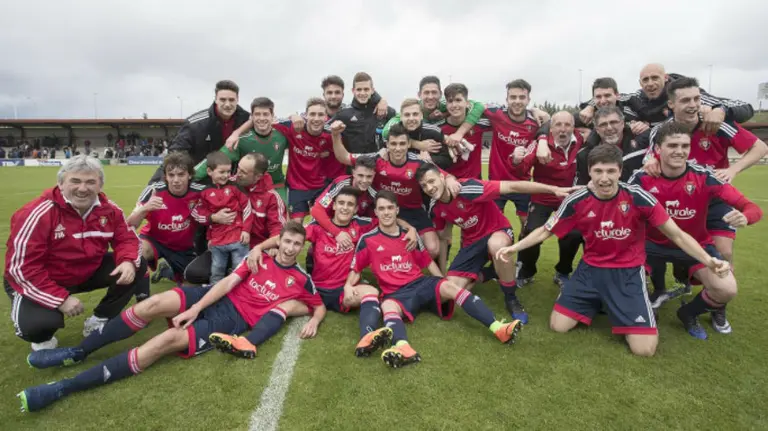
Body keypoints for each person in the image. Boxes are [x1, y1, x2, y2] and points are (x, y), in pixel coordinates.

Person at [20, 222, 324, 412]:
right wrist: (193, 307)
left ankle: (64, 387)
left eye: (297, 244)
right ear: (279, 241)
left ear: (301, 247)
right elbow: (227, 283)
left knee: (165, 339)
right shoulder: (258, 258)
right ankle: (78, 351)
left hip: (232, 321)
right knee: (151, 304)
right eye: (286, 241)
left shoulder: (300, 279)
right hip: (214, 296)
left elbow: (317, 305)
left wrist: (312, 319)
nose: (290, 247)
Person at [496, 144, 731, 357]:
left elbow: (677, 234)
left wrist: (709, 260)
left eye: (610, 171)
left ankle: (624, 303)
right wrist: (514, 247)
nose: (604, 178)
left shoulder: (638, 197)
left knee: (644, 350)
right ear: (590, 172)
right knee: (558, 326)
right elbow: (545, 231)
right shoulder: (577, 200)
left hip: (627, 273)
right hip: (590, 271)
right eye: (598, 171)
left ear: (620, 171)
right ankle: (596, 300)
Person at [344, 191, 523, 368]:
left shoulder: (409, 236)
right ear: (375, 212)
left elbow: (428, 262)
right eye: (381, 209)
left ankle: (499, 328)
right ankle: (403, 348)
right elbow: (356, 268)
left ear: (397, 210)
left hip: (420, 284)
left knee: (451, 287)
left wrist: (441, 282)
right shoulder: (368, 240)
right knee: (387, 306)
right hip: (396, 294)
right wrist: (347, 286)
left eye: (390, 208)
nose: (386, 212)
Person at [628, 122, 762, 338]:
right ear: (658, 150)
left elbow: (752, 208)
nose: (679, 151)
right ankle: (645, 306)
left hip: (695, 246)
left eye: (684, 145)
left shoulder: (704, 177)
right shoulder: (641, 178)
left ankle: (688, 313)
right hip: (651, 246)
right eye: (672, 145)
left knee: (727, 289)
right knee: (625, 281)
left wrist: (745, 217)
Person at [4, 155, 146, 351]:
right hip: (41, 279)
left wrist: (128, 261)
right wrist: (60, 299)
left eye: (90, 182)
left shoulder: (109, 210)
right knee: (38, 327)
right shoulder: (37, 213)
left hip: (85, 271)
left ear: (100, 185)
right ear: (61, 183)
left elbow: (127, 238)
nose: (82, 188)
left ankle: (100, 318)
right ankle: (41, 336)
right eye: (75, 181)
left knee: (137, 265)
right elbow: (20, 269)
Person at [416, 163, 576, 324]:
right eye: (424, 185)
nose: (429, 188)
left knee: (496, 246)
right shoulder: (435, 207)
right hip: (471, 244)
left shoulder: (469, 188)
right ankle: (489, 273)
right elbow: (444, 238)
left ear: (442, 177)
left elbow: (512, 186)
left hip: (497, 232)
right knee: (449, 294)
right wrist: (442, 277)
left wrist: (553, 189)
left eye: (432, 181)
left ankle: (511, 298)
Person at [643, 77, 768, 267]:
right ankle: (675, 281)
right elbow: (651, 158)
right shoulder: (661, 130)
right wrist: (650, 160)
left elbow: (760, 147)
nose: (693, 105)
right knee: (671, 245)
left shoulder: (718, 124)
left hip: (714, 198)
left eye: (696, 99)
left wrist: (733, 170)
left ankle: (722, 286)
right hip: (680, 200)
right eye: (685, 100)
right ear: (671, 104)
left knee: (723, 252)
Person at [330, 121, 457, 260]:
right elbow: (344, 157)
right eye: (393, 144)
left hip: (413, 211)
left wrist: (450, 179)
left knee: (433, 249)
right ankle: (392, 269)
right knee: (384, 247)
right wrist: (335, 135)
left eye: (402, 144)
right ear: (387, 145)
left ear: (408, 144)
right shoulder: (377, 159)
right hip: (384, 210)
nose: (398, 148)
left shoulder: (418, 162)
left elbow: (441, 175)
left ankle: (408, 268)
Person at [184, 153, 287, 285]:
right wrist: (213, 218)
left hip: (254, 249)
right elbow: (203, 206)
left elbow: (278, 232)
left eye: (243, 172)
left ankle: (234, 277)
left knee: (266, 280)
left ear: (258, 176)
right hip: (223, 241)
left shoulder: (272, 198)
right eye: (237, 168)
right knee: (193, 274)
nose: (237, 174)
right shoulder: (227, 182)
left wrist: (266, 247)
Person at [512, 111, 584, 289]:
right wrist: (516, 159)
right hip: (542, 196)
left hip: (568, 198)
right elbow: (522, 168)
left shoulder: (581, 140)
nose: (563, 129)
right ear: (550, 128)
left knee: (573, 235)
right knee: (531, 231)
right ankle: (526, 271)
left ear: (573, 127)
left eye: (567, 125)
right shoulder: (539, 144)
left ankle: (563, 272)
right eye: (558, 125)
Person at [580, 64, 754, 132]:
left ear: (665, 78)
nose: (650, 83)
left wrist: (721, 111)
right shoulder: (636, 98)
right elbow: (611, 97)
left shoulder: (687, 94)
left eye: (655, 78)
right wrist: (590, 105)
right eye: (645, 80)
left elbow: (745, 107)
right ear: (640, 83)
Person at [127, 153, 205, 293]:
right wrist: (145, 208)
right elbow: (130, 224)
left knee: (193, 287)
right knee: (136, 252)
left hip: (184, 248)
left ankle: (166, 272)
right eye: (171, 175)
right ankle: (142, 297)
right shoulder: (154, 190)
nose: (176, 180)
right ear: (165, 176)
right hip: (154, 241)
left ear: (189, 175)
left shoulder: (200, 192)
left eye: (181, 174)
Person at [149, 80, 250, 183]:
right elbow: (175, 155)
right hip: (201, 183)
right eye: (223, 99)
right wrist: (157, 184)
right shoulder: (196, 124)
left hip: (233, 183)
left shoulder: (248, 120)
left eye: (231, 100)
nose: (227, 104)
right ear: (215, 99)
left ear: (237, 100)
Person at [196, 97, 290, 202]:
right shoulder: (241, 140)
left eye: (265, 114)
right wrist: (191, 175)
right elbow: (218, 159)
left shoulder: (282, 135)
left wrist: (295, 116)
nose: (262, 118)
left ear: (272, 116)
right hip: (249, 190)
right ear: (252, 117)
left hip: (277, 187)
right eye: (257, 114)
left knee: (282, 217)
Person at [484, 79, 543, 227]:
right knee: (493, 226)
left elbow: (551, 123)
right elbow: (470, 105)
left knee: (527, 226)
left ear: (528, 99)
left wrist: (538, 112)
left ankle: (522, 249)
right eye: (513, 97)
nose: (517, 101)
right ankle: (496, 250)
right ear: (507, 99)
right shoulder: (496, 115)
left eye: (522, 97)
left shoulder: (535, 123)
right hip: (497, 181)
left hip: (522, 182)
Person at [191, 152, 253, 284]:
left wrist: (246, 230)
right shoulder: (205, 192)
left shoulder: (235, 187)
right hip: (217, 241)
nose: (226, 175)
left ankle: (242, 294)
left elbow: (247, 207)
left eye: (228, 172)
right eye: (221, 172)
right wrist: (212, 220)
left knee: (240, 268)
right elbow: (197, 214)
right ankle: (214, 294)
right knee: (217, 270)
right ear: (209, 171)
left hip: (238, 238)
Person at [382, 75, 485, 147]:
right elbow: (386, 132)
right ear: (419, 95)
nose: (430, 97)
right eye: (426, 92)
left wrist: (459, 133)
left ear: (440, 94)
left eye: (434, 92)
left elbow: (479, 106)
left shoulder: (447, 104)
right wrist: (417, 144)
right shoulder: (412, 111)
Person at [573, 106, 648, 186]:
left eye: (613, 122)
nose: (609, 128)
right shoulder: (584, 155)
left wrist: (653, 158)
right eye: (603, 124)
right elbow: (580, 187)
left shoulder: (642, 142)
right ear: (597, 129)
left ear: (622, 123)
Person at [310, 156, 378, 240]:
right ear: (353, 173)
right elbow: (317, 210)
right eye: (360, 175)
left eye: (369, 177)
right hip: (328, 222)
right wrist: (337, 233)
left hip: (350, 226)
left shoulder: (373, 193)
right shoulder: (341, 184)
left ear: (374, 175)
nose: (364, 180)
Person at [331, 72, 396, 154]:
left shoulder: (387, 111)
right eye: (359, 89)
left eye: (366, 89)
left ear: (372, 90)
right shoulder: (344, 113)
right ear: (353, 91)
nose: (362, 93)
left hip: (381, 164)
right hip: (355, 165)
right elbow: (325, 129)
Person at [440, 83, 491, 180]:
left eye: (458, 100)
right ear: (446, 104)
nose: (454, 105)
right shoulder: (439, 129)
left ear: (467, 103)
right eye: (450, 101)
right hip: (450, 184)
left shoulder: (482, 124)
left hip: (475, 183)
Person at [398, 98, 454, 169]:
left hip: (427, 175)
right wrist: (417, 158)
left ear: (421, 115)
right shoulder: (395, 132)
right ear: (401, 117)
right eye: (407, 115)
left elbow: (447, 160)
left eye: (415, 114)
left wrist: (429, 159)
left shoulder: (434, 131)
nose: (411, 118)